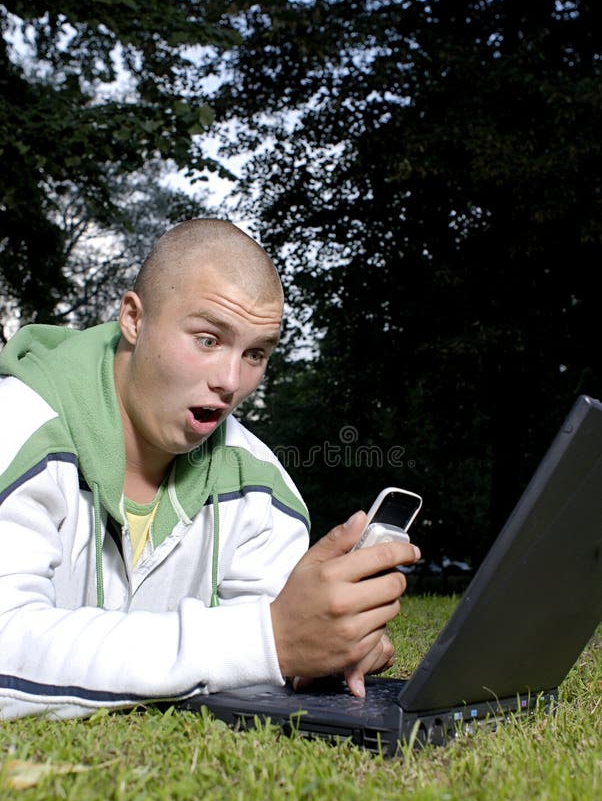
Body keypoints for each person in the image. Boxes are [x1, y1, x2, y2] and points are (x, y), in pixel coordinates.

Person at [0, 219, 419, 720]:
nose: (230, 381)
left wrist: (318, 646)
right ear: (134, 318)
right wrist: (269, 639)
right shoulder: (17, 430)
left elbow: (266, 646)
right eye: (207, 339)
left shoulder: (265, 489)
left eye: (256, 353)